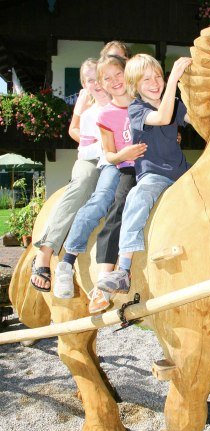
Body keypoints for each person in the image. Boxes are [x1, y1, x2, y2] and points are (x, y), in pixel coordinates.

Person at [96, 54, 192, 295]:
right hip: (155, 175)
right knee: (137, 197)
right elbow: (161, 118)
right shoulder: (137, 108)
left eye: (158, 76)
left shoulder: (175, 104)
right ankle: (123, 268)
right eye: (146, 79)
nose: (155, 82)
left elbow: (196, 119)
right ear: (134, 86)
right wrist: (173, 82)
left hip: (181, 172)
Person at [53, 54, 146, 300]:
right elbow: (98, 150)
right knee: (104, 198)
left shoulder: (141, 101)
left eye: (118, 75)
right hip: (114, 164)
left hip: (143, 164)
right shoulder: (98, 112)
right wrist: (118, 152)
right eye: (103, 79)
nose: (113, 81)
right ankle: (68, 260)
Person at [30, 58, 111, 292]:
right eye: (88, 80)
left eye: (98, 77)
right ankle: (44, 255)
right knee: (83, 182)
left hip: (115, 156)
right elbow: (74, 131)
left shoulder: (119, 99)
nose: (94, 83)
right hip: (91, 157)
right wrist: (99, 143)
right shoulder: (86, 106)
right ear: (84, 85)